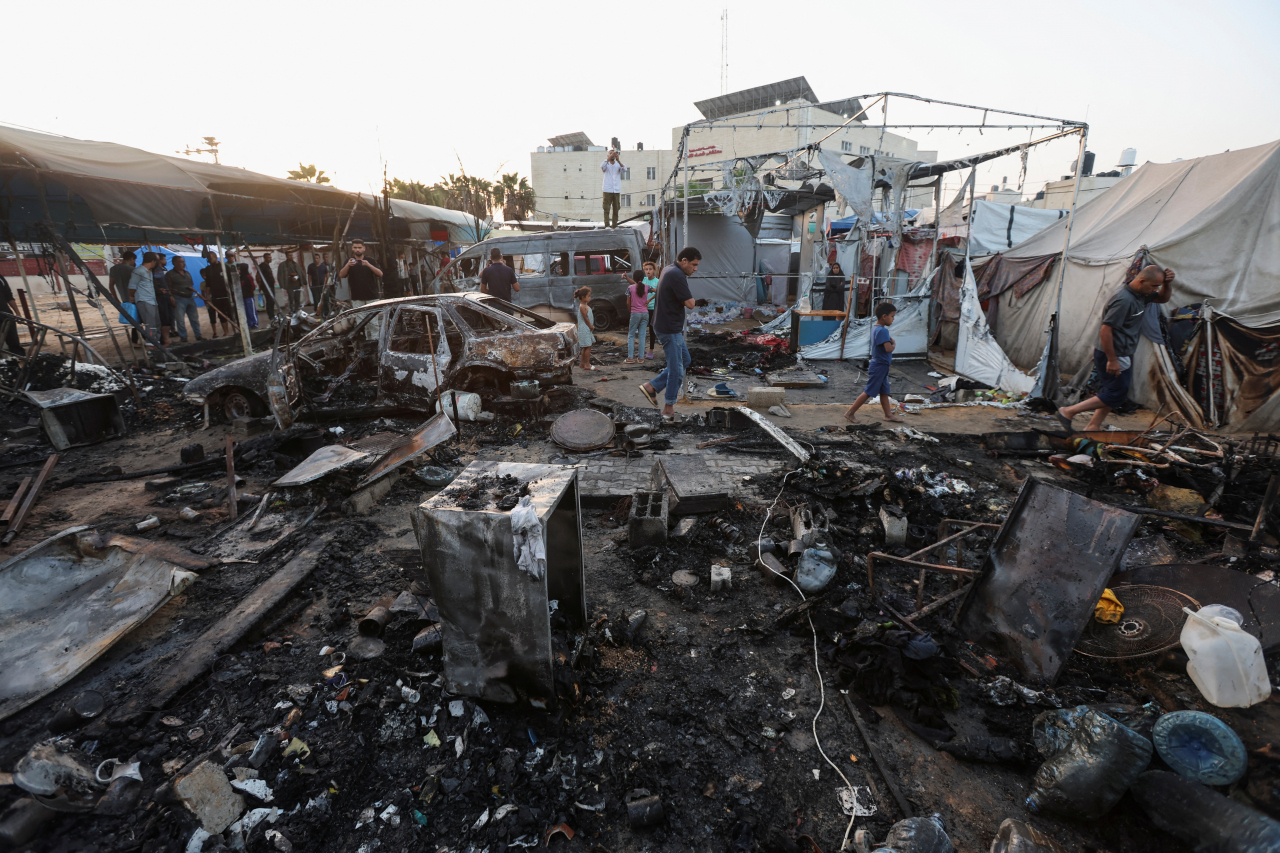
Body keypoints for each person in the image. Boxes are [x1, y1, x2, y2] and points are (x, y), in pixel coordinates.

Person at [1057, 264, 1175, 432]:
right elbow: (1106, 330)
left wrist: (1168, 283)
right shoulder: (1124, 299)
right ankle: (1067, 411)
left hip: (1123, 352)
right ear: (1141, 281)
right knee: (1116, 394)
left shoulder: (1141, 294)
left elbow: (1163, 298)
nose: (1156, 290)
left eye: (1158, 286)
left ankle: (1093, 425)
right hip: (1113, 353)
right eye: (1155, 286)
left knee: (1113, 391)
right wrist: (1112, 360)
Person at [639, 247, 700, 421]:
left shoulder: (667, 268)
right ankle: (668, 408)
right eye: (694, 265)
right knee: (676, 370)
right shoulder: (677, 275)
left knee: (685, 361)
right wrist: (690, 299)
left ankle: (652, 386)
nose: (695, 269)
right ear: (684, 261)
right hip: (669, 328)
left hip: (665, 324)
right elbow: (690, 304)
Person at [844, 301, 905, 424]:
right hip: (879, 366)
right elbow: (888, 349)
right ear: (884, 316)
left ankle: (888, 415)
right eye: (892, 316)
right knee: (869, 392)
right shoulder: (883, 331)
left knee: (884, 392)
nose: (893, 319)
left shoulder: (875, 328)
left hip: (881, 365)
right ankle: (850, 413)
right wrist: (894, 344)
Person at [166, 255, 203, 342]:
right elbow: (168, 288)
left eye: (183, 261)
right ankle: (183, 337)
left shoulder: (187, 273)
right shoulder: (170, 274)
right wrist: (171, 297)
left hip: (190, 298)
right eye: (181, 262)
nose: (184, 264)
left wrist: (198, 293)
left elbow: (190, 286)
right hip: (178, 299)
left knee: (194, 318)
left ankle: (198, 335)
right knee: (180, 320)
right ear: (175, 263)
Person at [128, 251, 160, 345]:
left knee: (156, 324)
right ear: (153, 261)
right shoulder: (138, 271)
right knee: (150, 325)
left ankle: (156, 342)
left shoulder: (149, 272)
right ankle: (150, 344)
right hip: (144, 301)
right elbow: (132, 287)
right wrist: (133, 297)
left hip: (152, 301)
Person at [340, 239, 384, 307]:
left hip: (372, 296)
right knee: (360, 317)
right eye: (355, 247)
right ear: (352, 248)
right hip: (357, 297)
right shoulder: (349, 261)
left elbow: (380, 274)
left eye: (359, 247)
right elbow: (341, 275)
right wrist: (347, 265)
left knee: (374, 317)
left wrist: (369, 265)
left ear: (364, 248)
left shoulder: (370, 260)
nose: (357, 249)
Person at [200, 253, 234, 338]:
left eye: (211, 258)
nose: (209, 260)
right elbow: (208, 284)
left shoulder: (225, 267)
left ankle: (235, 330)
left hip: (226, 295)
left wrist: (233, 294)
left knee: (231, 314)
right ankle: (226, 332)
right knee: (221, 314)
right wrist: (207, 296)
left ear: (215, 257)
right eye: (208, 259)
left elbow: (231, 281)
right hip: (216, 296)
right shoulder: (208, 269)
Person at [625, 270, 649, 363]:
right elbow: (657, 291)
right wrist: (649, 300)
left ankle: (630, 358)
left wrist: (631, 311)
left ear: (633, 278)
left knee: (631, 335)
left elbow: (628, 302)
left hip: (635, 313)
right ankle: (641, 358)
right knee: (642, 336)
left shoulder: (630, 288)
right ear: (643, 278)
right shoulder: (647, 287)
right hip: (645, 313)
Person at [152, 254, 176, 347]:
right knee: (163, 318)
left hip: (166, 296)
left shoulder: (162, 270)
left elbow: (166, 285)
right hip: (159, 298)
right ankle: (163, 340)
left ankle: (166, 338)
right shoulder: (151, 271)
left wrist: (170, 295)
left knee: (169, 318)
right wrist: (158, 290)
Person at [0, 271, 23, 354]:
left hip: (5, 314)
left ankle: (19, 360)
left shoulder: (0, 278)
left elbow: (9, 296)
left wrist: (17, 313)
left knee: (13, 340)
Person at [601, 148, 625, 228]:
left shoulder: (617, 164)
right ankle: (607, 225)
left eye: (613, 153)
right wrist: (609, 158)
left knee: (616, 208)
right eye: (610, 153)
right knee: (606, 208)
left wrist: (618, 160)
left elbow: (624, 169)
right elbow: (602, 167)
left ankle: (614, 225)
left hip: (616, 190)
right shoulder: (606, 164)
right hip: (607, 189)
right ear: (608, 155)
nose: (612, 155)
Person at [575, 286, 596, 371]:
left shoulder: (585, 305)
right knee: (588, 347)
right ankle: (587, 364)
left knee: (585, 347)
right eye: (588, 296)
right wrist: (591, 326)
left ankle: (582, 363)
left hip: (586, 329)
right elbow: (585, 319)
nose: (590, 297)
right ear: (583, 297)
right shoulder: (582, 306)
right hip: (585, 328)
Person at [642, 260, 659, 358]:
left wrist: (649, 300)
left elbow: (658, 292)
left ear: (654, 271)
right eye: (646, 269)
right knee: (643, 329)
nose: (648, 271)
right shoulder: (643, 280)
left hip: (653, 308)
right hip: (643, 308)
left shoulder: (657, 281)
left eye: (650, 269)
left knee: (652, 330)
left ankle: (651, 351)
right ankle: (642, 350)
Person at [256, 252, 277, 325]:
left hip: (271, 286)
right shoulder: (262, 266)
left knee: (272, 301)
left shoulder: (267, 266)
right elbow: (258, 276)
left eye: (270, 257)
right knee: (270, 301)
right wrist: (260, 285)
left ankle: (272, 315)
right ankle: (271, 317)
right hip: (266, 287)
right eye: (268, 257)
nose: (270, 259)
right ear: (264, 258)